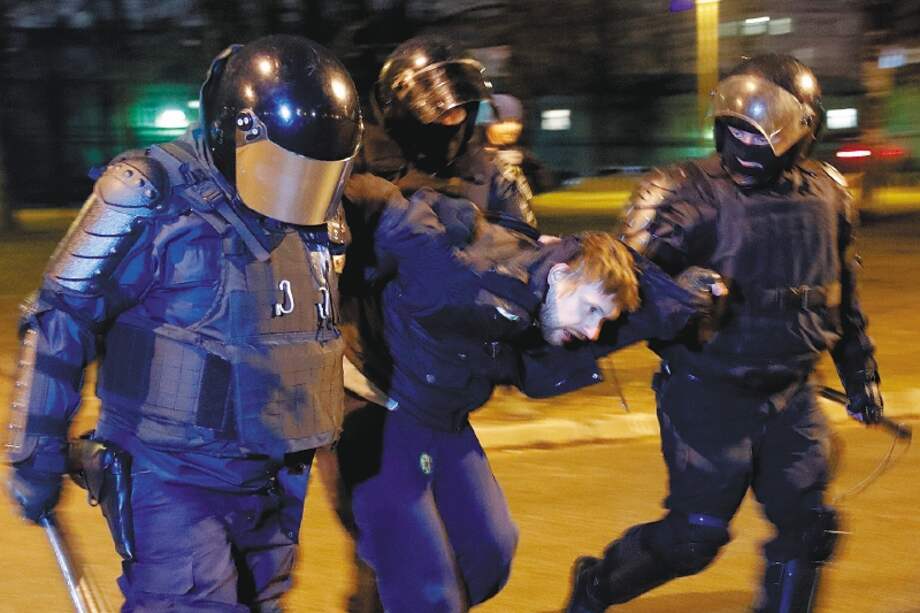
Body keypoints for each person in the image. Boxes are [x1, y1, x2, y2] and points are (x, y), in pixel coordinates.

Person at [6, 35, 363, 610]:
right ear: (235, 130)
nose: (299, 189)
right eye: (286, 166)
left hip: (275, 472)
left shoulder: (319, 211)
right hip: (172, 476)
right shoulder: (150, 196)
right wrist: (35, 453)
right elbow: (61, 317)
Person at [564, 54, 884, 613]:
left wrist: (860, 372)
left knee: (809, 528)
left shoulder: (829, 194)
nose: (746, 138)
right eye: (737, 122)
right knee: (695, 537)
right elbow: (617, 296)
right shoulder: (679, 194)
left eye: (763, 125)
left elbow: (842, 296)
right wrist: (674, 292)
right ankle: (595, 587)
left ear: (804, 128)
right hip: (706, 392)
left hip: (791, 392)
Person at [335, 173, 719, 613]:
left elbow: (623, 316)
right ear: (560, 275)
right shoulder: (462, 270)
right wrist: (320, 206)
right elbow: (383, 205)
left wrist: (685, 299)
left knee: (489, 556)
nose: (593, 330)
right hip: (379, 409)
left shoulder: (544, 297)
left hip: (442, 418)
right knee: (427, 587)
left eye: (601, 318)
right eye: (591, 311)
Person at [316, 34, 539, 613]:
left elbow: (527, 261)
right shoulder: (353, 170)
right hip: (363, 389)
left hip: (441, 392)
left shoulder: (488, 175)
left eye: (461, 111)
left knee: (487, 555)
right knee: (409, 570)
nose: (451, 123)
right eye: (438, 111)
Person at [482, 93, 558, 195]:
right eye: (502, 122)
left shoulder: (523, 157)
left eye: (517, 121)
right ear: (485, 125)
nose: (512, 128)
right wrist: (494, 163)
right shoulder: (471, 159)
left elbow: (547, 186)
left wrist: (526, 164)